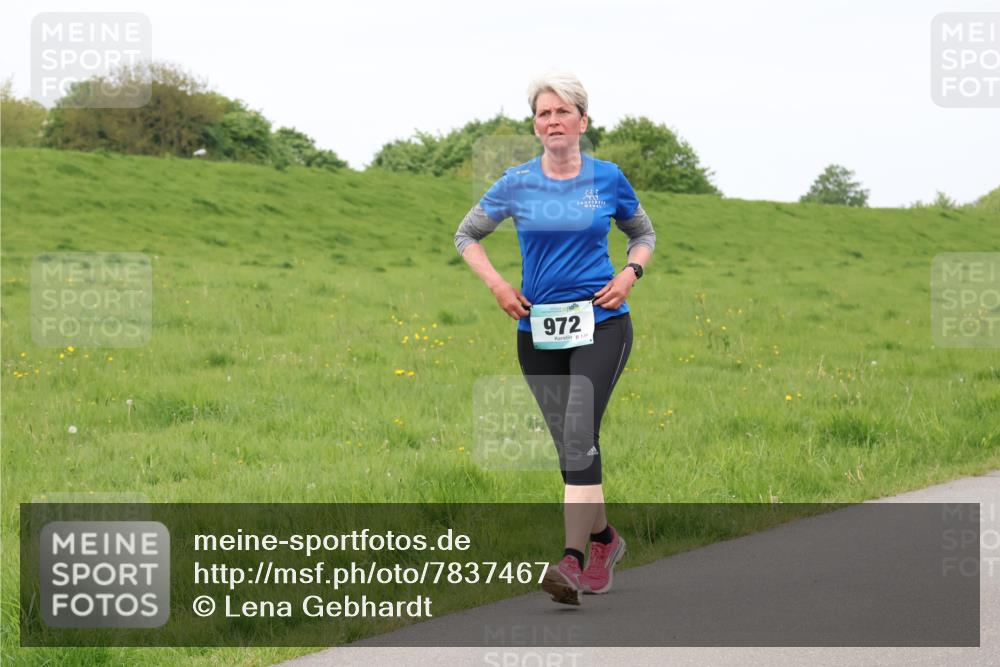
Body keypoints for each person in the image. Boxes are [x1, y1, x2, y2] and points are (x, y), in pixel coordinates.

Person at [453, 72, 656, 606]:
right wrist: (498, 284)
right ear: (536, 125)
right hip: (537, 330)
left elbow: (643, 234)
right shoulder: (518, 182)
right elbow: (466, 234)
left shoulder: (607, 178)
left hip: (602, 323)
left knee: (577, 433)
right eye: (544, 113)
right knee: (574, 448)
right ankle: (606, 542)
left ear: (582, 122)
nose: (553, 121)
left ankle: (569, 559)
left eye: (563, 112)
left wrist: (630, 275)